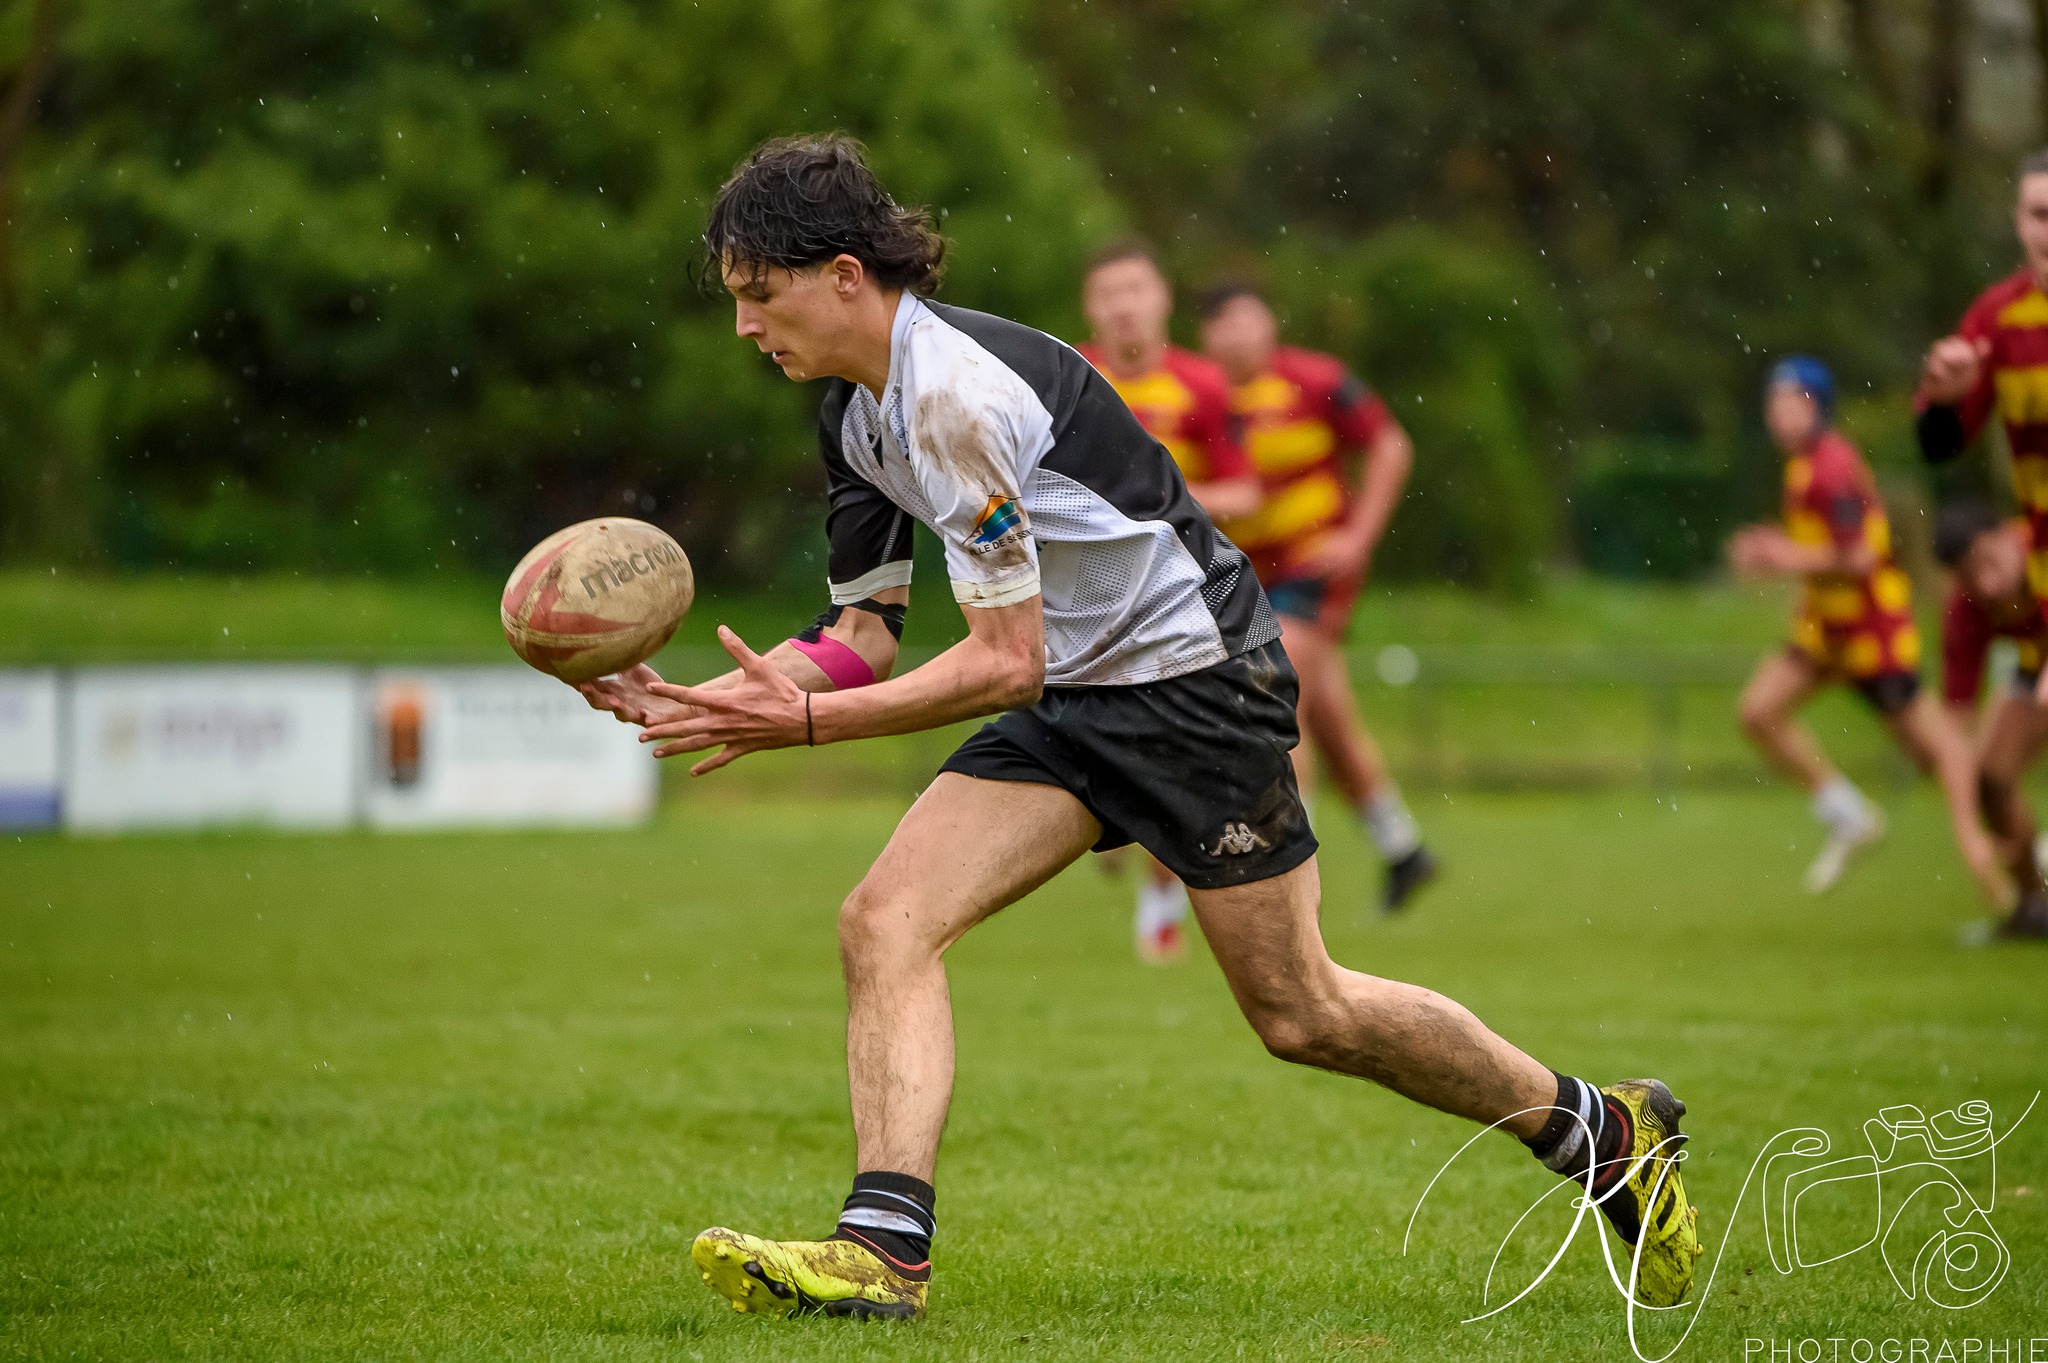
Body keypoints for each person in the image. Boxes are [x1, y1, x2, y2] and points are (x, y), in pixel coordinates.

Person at [577, 135, 1704, 1322]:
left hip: (1192, 688)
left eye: (761, 296)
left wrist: (806, 725)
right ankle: (883, 1252)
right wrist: (719, 696)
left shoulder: (957, 397)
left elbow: (1003, 663)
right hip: (1073, 697)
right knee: (884, 919)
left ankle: (1598, 1128)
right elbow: (864, 625)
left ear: (845, 274)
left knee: (1300, 1013)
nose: (747, 328)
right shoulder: (859, 415)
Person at [1728, 356, 2006, 905]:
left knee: (1938, 755)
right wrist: (1776, 551)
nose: (1781, 416)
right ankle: (1848, 816)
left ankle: (2000, 849)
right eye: (1774, 404)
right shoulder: (1802, 467)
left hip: (1872, 637)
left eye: (1794, 403)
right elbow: (1819, 551)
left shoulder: (1831, 468)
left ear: (1819, 408)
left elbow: (1858, 559)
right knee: (1758, 712)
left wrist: (1782, 557)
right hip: (1823, 632)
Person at [1198, 281, 1439, 913]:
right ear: (1207, 336)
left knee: (1276, 690)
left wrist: (1358, 537)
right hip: (1244, 575)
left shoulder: (1316, 378)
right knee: (1324, 709)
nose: (1239, 336)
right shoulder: (1203, 393)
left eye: (1248, 319)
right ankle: (1403, 849)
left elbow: (1391, 444)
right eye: (1223, 324)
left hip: (1314, 566)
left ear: (1270, 322)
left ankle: (1289, 872)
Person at [1075, 239, 1262, 962]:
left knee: (1171, 750)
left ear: (1162, 300)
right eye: (1108, 293)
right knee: (1087, 744)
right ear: (1091, 308)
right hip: (1084, 597)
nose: (1123, 306)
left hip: (1181, 595)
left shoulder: (1206, 387)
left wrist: (1162, 505)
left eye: (1136, 289)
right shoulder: (1071, 375)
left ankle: (1160, 902)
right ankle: (1105, 817)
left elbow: (1247, 491)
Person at [1915, 149, 2048, 621]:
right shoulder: (1997, 320)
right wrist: (1945, 402)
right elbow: (1938, 448)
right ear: (2019, 222)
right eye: (2041, 215)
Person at [1932, 500, 2048, 937]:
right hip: (2035, 668)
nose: (1987, 584)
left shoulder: (2041, 545)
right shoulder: (1965, 609)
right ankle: (2035, 909)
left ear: (2009, 536)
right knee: (1992, 778)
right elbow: (1954, 728)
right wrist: (1968, 835)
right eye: (1969, 575)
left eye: (1989, 562)